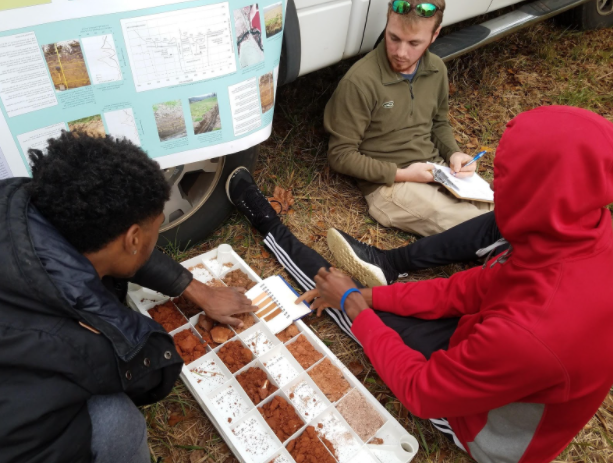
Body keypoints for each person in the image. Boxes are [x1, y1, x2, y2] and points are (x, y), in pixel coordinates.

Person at [297, 106, 613, 461]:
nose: (496, 187)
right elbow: (467, 289)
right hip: (505, 357)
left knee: (382, 331)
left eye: (504, 177)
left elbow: (419, 390)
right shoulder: (585, 234)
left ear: (532, 191)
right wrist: (371, 295)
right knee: (383, 314)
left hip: (485, 428)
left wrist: (353, 303)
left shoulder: (530, 334)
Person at [0, 132, 255, 463]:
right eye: (156, 229)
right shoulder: (80, 340)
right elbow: (153, 373)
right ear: (133, 239)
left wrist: (196, 289)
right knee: (118, 424)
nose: (154, 240)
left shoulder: (19, 204)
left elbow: (117, 249)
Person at [323, 0, 493, 237]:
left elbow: (439, 122)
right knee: (481, 228)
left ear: (434, 35)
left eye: (414, 43)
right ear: (387, 23)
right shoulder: (360, 81)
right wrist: (403, 174)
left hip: (437, 170)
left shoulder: (436, 69)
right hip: (390, 185)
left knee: (506, 207)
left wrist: (454, 154)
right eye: (394, 38)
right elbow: (340, 155)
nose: (401, 52)